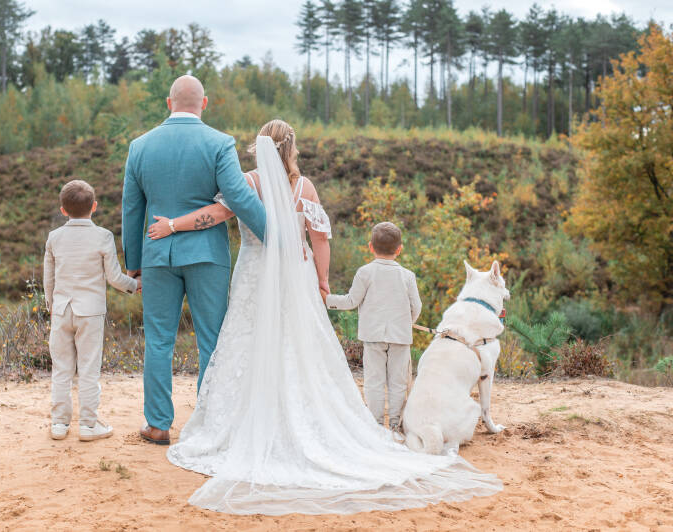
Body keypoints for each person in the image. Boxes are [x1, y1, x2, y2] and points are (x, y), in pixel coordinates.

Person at [147, 119, 502, 515]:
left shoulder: (246, 183)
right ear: (292, 147)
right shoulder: (304, 188)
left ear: (258, 147)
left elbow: (214, 214)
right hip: (295, 276)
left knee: (249, 343)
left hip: (252, 276)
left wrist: (172, 225)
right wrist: (321, 280)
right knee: (300, 346)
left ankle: (250, 420)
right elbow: (319, 239)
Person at [121, 75, 266, 446]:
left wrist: (133, 263)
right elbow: (239, 198)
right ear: (204, 104)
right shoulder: (220, 144)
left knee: (158, 341)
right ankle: (208, 425)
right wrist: (276, 237)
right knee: (211, 341)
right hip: (206, 255)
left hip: (156, 256)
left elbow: (132, 210)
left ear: (168, 103)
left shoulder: (139, 147)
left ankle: (157, 425)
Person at [43, 180, 138, 441]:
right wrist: (135, 285)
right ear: (94, 206)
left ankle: (59, 425)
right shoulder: (103, 236)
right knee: (89, 369)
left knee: (61, 369)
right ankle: (88, 425)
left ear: (63, 210)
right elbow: (115, 278)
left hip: (62, 310)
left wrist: (52, 307)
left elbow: (48, 280)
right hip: (90, 312)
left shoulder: (55, 238)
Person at [326, 222, 422, 429]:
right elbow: (417, 307)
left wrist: (327, 299)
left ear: (371, 246)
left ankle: (376, 424)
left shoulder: (365, 272)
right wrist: (406, 323)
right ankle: (396, 424)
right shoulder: (408, 276)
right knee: (398, 383)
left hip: (373, 336)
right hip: (400, 337)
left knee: (374, 381)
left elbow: (351, 301)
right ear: (399, 249)